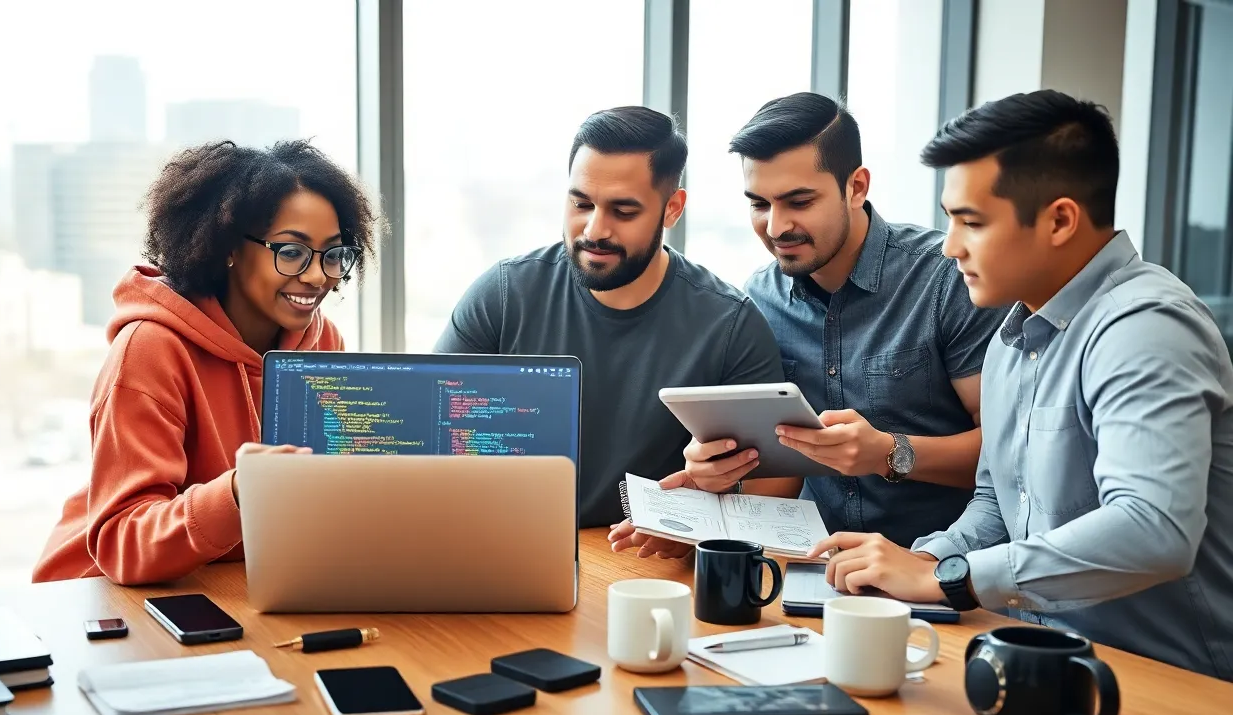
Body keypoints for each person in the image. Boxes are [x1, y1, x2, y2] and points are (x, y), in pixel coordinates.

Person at [808, 90, 1233, 681]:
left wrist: (947, 578)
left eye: (971, 222)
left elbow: (1154, 529)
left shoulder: (1147, 326)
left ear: (1060, 219)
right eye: (949, 218)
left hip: (1170, 686)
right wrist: (924, 558)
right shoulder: (1012, 337)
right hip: (1039, 661)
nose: (951, 246)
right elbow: (1000, 505)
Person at [610, 93, 1008, 560]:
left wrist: (888, 453)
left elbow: (1007, 455)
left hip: (937, 570)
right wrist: (714, 478)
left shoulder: (947, 280)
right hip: (806, 570)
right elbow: (774, 471)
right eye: (759, 203)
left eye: (799, 201)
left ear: (856, 187)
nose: (776, 227)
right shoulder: (757, 299)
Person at [33, 139, 381, 586]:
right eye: (291, 252)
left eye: (333, 254)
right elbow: (123, 539)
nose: (317, 277)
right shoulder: (151, 349)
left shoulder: (321, 342)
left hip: (232, 584)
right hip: (99, 598)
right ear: (228, 249)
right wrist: (239, 492)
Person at [435, 106, 784, 537]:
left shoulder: (729, 326)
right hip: (500, 543)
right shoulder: (505, 295)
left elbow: (776, 485)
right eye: (581, 203)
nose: (595, 230)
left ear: (672, 209)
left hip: (636, 567)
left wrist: (696, 526)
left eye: (624, 211)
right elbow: (430, 437)